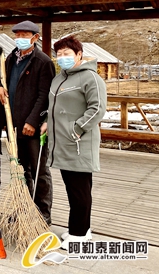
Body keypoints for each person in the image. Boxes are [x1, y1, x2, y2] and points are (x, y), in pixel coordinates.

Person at [45, 35, 106, 250]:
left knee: (80, 190)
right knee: (73, 188)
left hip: (79, 142)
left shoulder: (91, 78)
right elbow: (54, 107)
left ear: (79, 54)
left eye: (67, 53)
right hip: (62, 143)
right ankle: (80, 228)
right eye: (59, 54)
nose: (62, 57)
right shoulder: (59, 78)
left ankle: (79, 234)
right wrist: (46, 123)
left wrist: (76, 129)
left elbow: (97, 109)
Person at [0, 20, 55, 224]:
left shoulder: (43, 61)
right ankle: (24, 208)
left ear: (35, 37)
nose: (20, 38)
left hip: (32, 127)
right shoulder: (10, 58)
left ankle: (43, 214)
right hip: (14, 125)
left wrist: (33, 121)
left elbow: (44, 95)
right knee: (21, 170)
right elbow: (2, 82)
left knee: (39, 170)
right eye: (17, 35)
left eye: (24, 35)